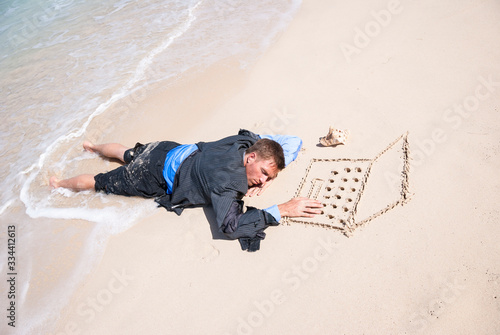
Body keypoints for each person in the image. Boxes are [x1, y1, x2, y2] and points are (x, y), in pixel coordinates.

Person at [50, 129, 322, 251]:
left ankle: (93, 147)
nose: (262, 182)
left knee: (128, 153)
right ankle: (58, 184)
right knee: (99, 181)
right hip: (151, 175)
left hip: (169, 149)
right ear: (251, 159)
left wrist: (270, 174)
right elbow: (229, 227)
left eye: (267, 178)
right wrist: (283, 209)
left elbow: (290, 141)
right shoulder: (226, 183)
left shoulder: (246, 142)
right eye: (263, 173)